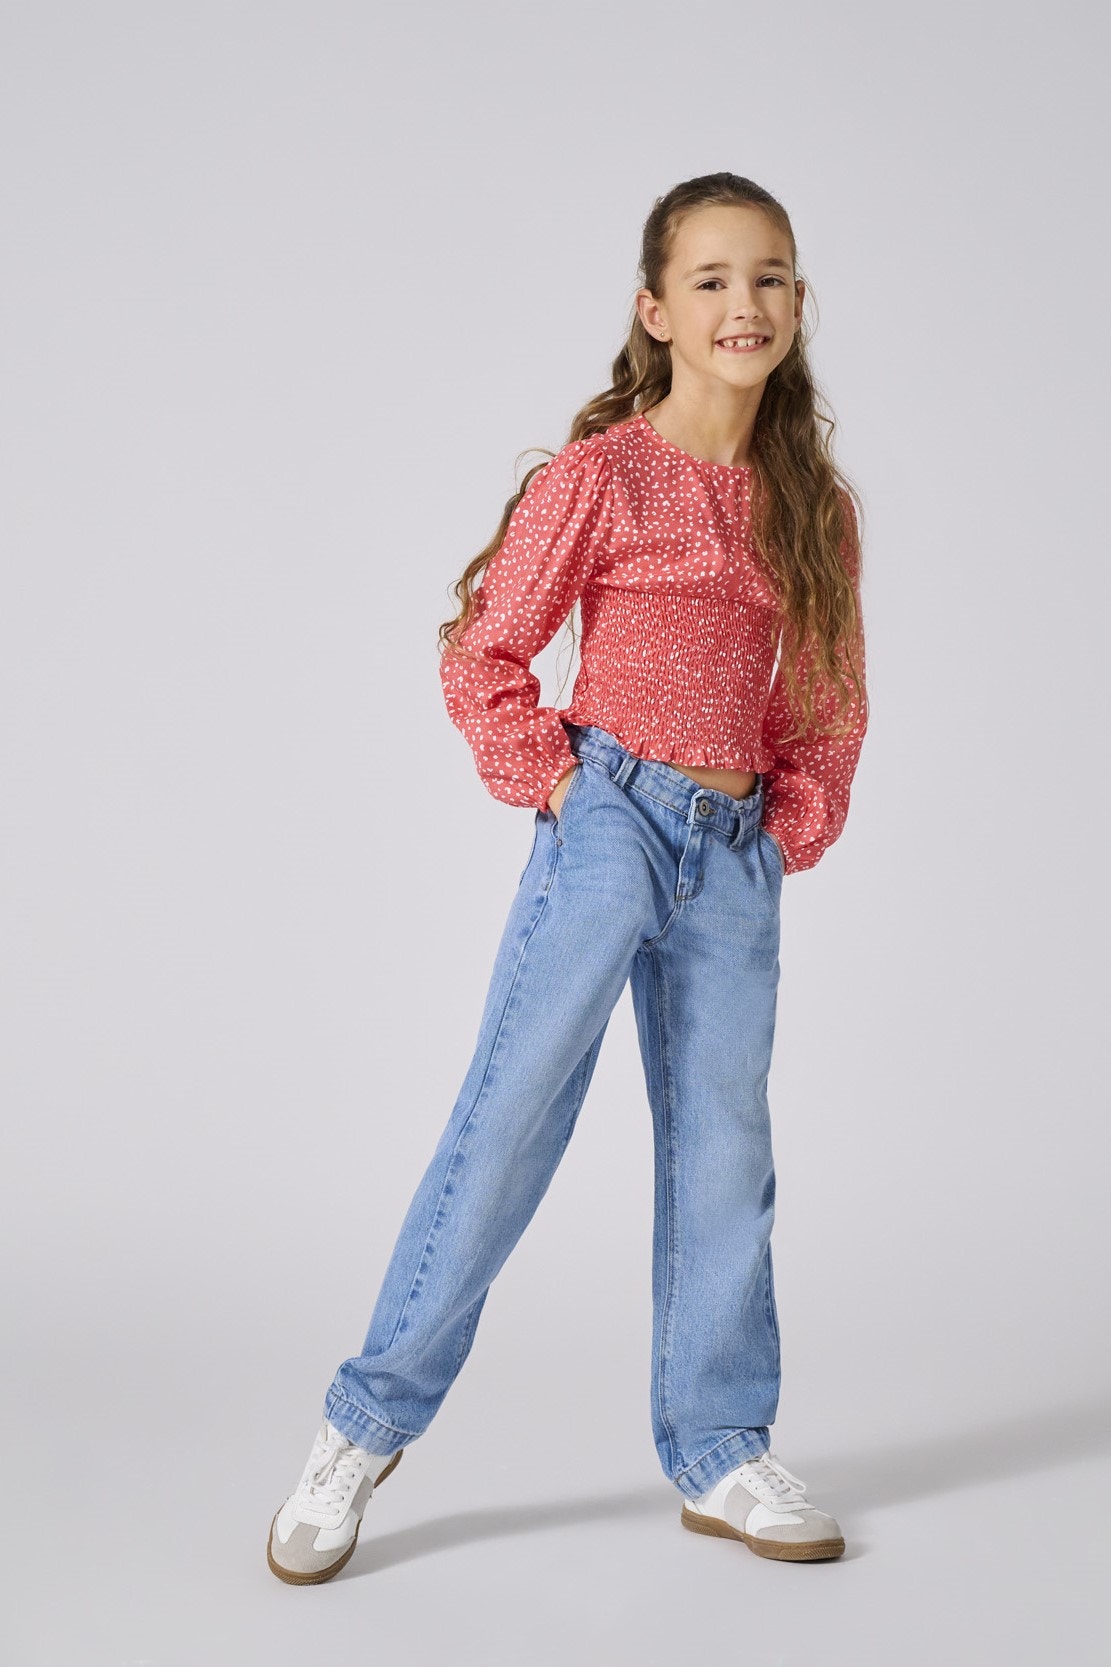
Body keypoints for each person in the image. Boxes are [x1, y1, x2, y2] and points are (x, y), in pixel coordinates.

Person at [267, 170, 869, 1584]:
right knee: (510, 1119)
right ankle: (362, 1426)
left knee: (726, 1151)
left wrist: (790, 826)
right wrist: (558, 787)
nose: (743, 303)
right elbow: (482, 650)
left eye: (769, 276)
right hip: (610, 823)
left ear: (799, 302)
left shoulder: (812, 506)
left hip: (733, 853)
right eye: (711, 280)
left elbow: (828, 695)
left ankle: (720, 1447)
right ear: (655, 311)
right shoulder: (602, 477)